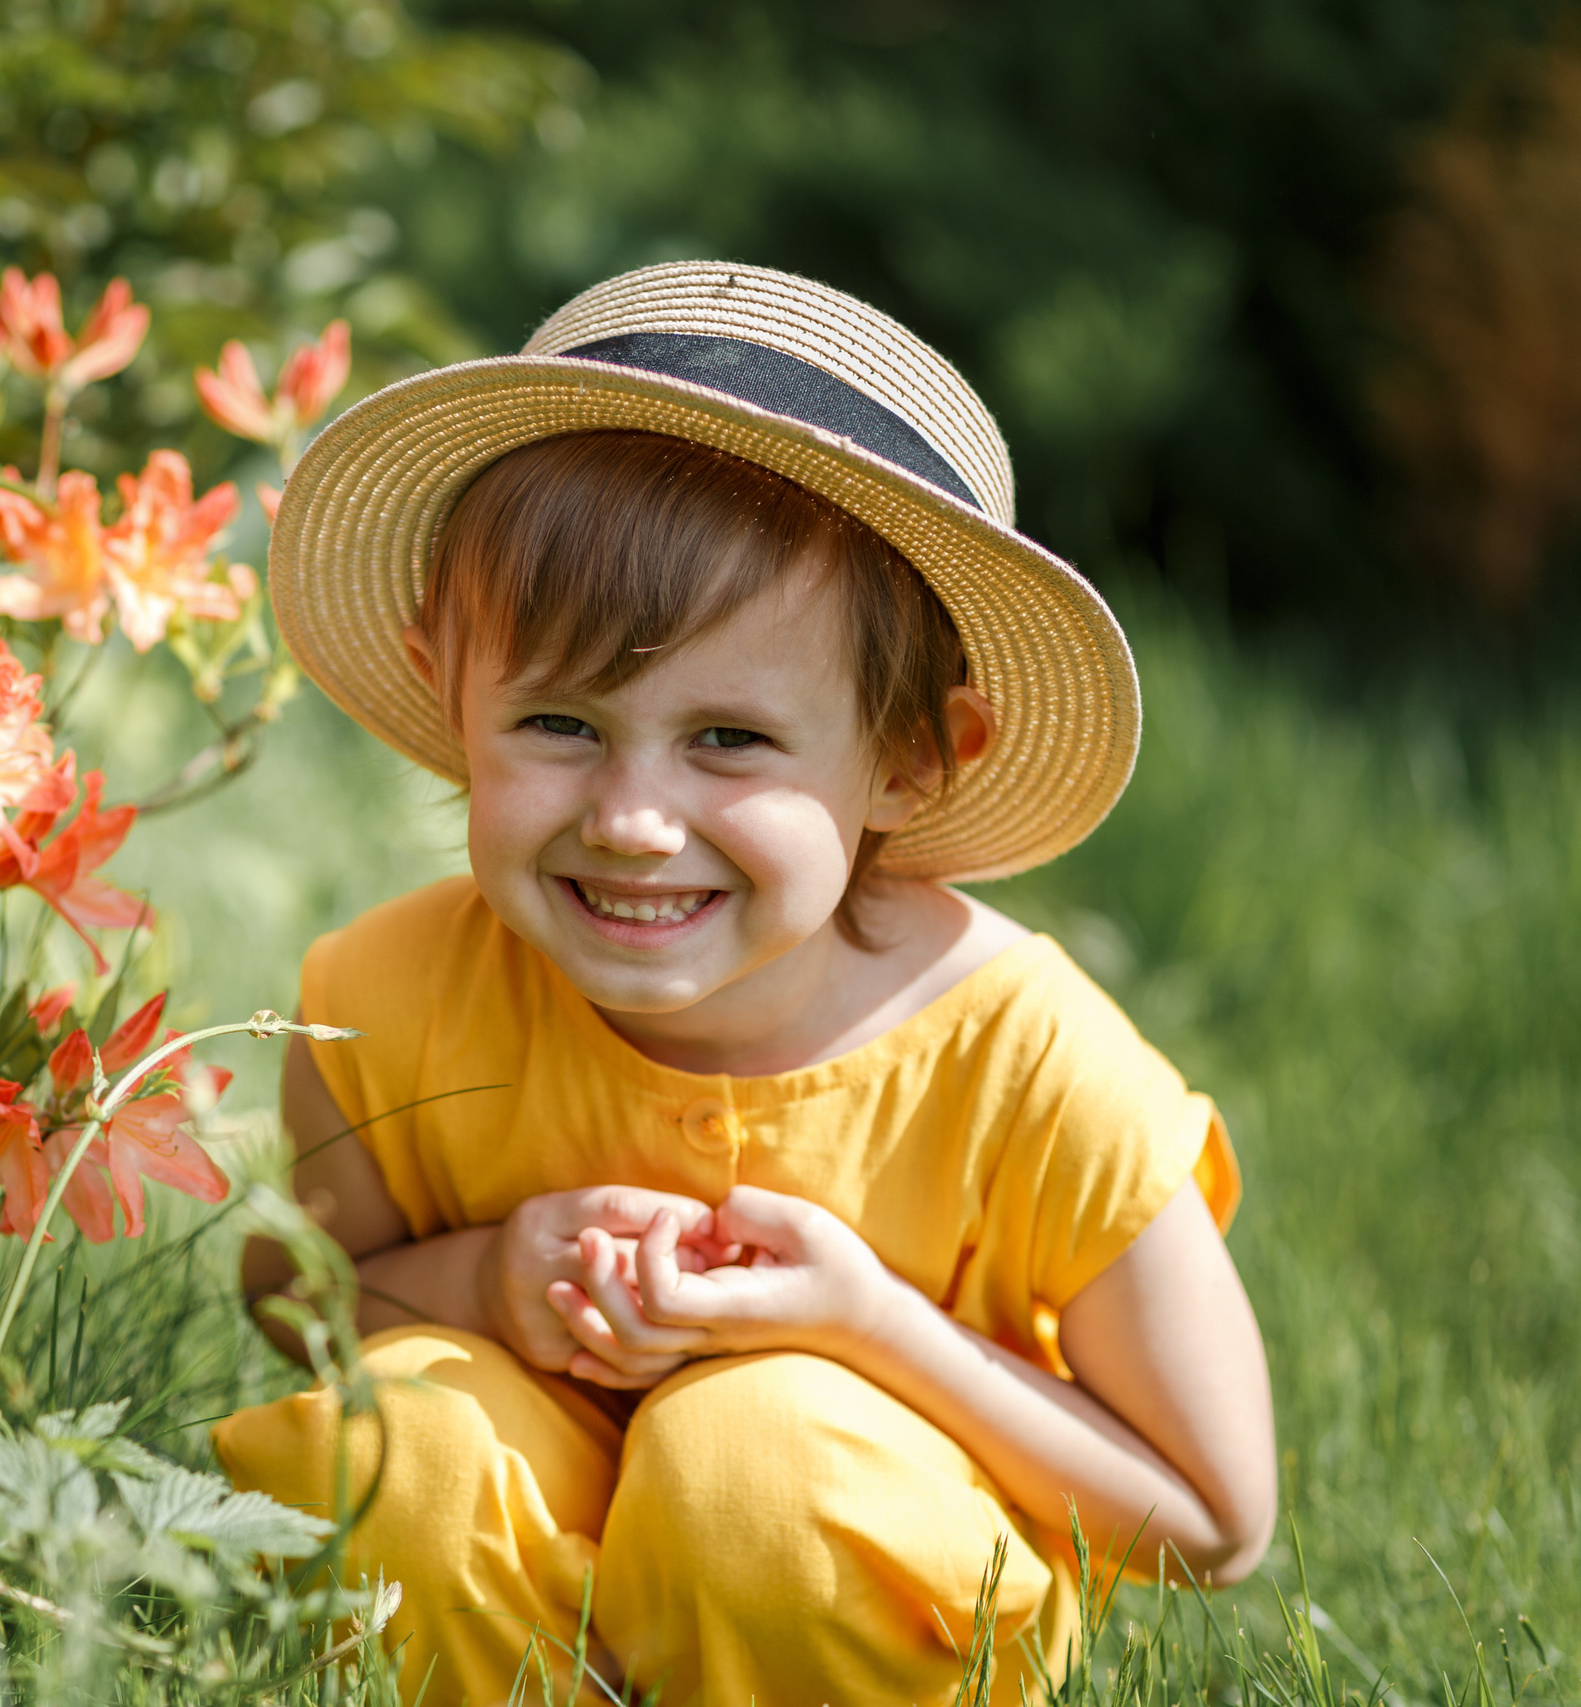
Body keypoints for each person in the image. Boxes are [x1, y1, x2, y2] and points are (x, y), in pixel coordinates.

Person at [218, 262, 1276, 1707]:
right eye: (558, 722)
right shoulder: (386, 999)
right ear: (445, 685)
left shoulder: (1030, 1067)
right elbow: (295, 1301)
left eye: (728, 738)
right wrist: (482, 1280)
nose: (633, 818)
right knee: (396, 1453)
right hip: (503, 1602)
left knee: (753, 1468)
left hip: (840, 1580)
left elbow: (1213, 1518)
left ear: (913, 759)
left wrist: (871, 1326)